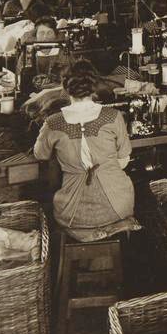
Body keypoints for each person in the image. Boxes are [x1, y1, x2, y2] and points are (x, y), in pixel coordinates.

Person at [33, 61, 137, 242]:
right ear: (94, 86)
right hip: (119, 207)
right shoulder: (113, 116)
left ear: (65, 88)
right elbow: (123, 161)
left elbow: (40, 154)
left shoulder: (53, 122)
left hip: (73, 213)